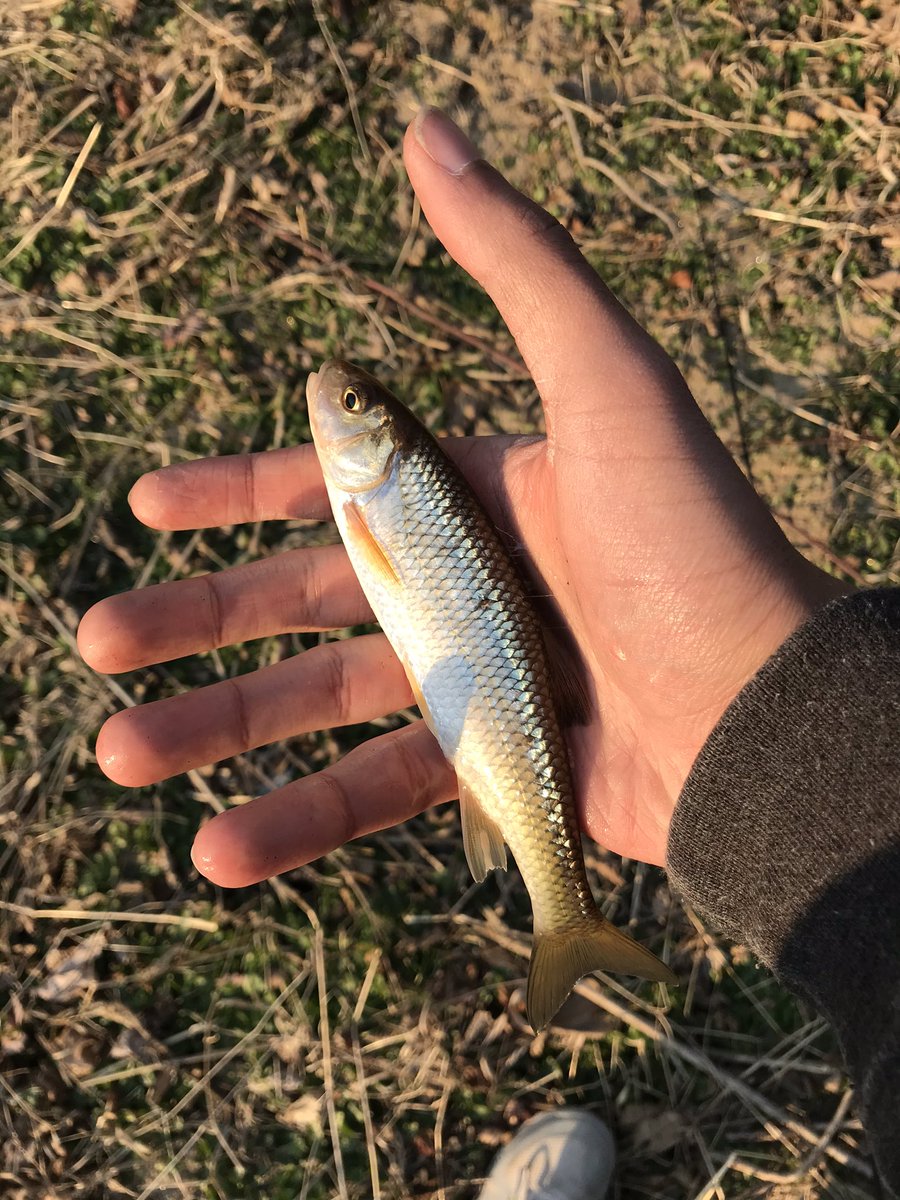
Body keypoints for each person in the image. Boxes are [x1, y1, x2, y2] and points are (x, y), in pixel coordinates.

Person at [76, 108, 900, 1197]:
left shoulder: (383, 493)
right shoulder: (379, 487)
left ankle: (567, 920)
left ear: (377, 439)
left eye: (356, 405)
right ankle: (566, 920)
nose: (336, 401)